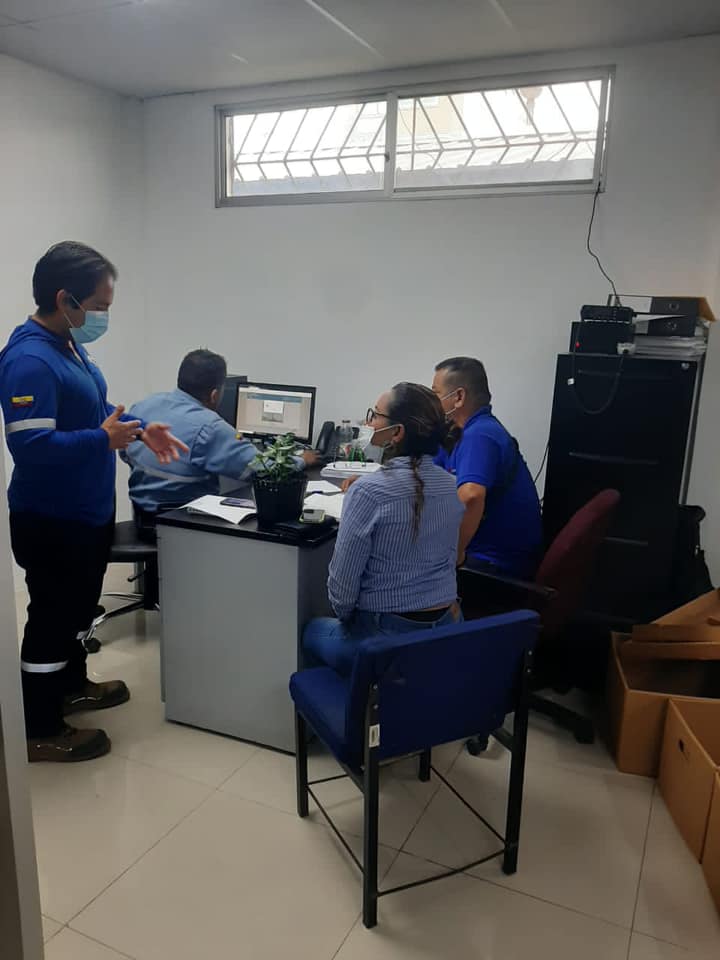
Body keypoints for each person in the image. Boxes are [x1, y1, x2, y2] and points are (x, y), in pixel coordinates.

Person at [0, 241, 188, 762]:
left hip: (85, 514)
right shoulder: (29, 360)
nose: (103, 316)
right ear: (66, 300)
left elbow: (94, 408)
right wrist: (103, 440)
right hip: (51, 519)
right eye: (99, 306)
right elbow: (31, 447)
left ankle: (72, 687)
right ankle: (39, 727)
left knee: (79, 611)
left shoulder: (67, 345)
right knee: (51, 620)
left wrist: (140, 429)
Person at [303, 382, 463, 677]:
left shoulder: (367, 492)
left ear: (397, 432)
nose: (369, 423)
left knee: (310, 631)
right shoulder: (452, 487)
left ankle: (355, 703)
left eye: (375, 415)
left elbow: (342, 593)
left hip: (384, 639)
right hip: (445, 631)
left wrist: (348, 621)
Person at [122, 349, 318, 536]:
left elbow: (125, 453)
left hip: (142, 518)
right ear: (214, 394)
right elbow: (266, 469)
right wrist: (303, 459)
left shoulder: (143, 406)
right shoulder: (210, 426)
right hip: (184, 525)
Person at [432, 356, 542, 578]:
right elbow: (428, 473)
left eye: (435, 394)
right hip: (483, 555)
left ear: (459, 397)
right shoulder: (460, 432)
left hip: (493, 567)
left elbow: (471, 496)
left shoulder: (480, 435)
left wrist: (452, 556)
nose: (431, 403)